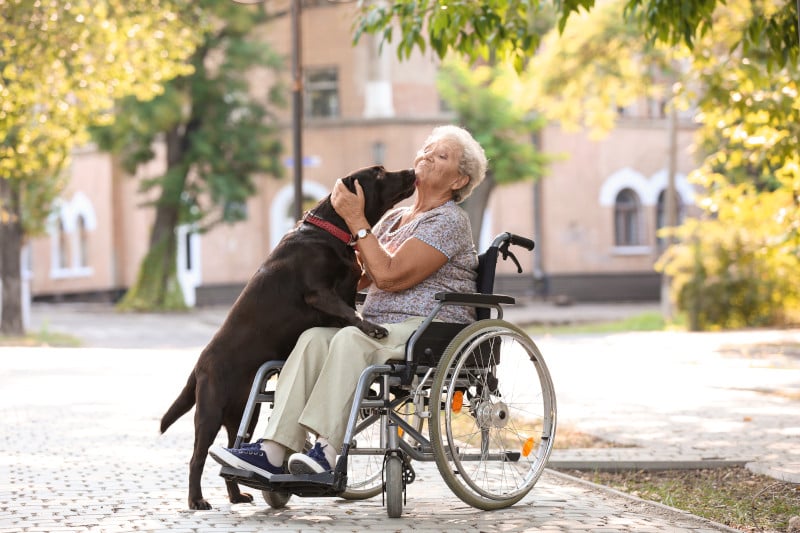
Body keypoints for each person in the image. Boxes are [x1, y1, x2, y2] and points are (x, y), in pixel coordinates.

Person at [209, 125, 487, 478]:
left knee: (351, 339)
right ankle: (275, 450)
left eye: (441, 155)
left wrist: (357, 220)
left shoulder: (448, 221)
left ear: (459, 181)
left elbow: (389, 275)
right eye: (427, 149)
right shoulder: (396, 219)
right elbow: (364, 274)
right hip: (381, 327)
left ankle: (327, 452)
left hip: (428, 327)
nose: (427, 156)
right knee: (312, 339)